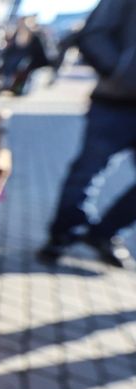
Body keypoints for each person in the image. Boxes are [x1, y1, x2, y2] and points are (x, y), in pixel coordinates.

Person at [37, 0, 136, 269]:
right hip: (115, 103)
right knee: (86, 172)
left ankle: (104, 233)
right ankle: (63, 234)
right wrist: (119, 72)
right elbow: (94, 33)